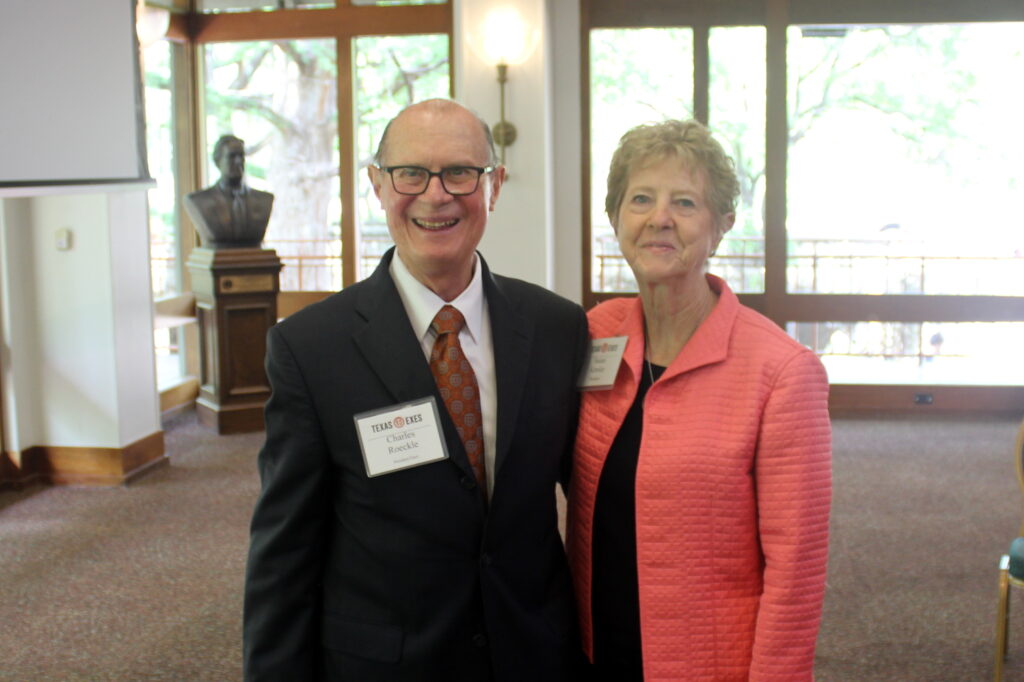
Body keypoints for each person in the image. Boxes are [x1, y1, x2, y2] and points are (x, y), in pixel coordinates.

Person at [243, 99, 589, 681]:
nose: (436, 195)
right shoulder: (311, 348)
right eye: (411, 173)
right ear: (378, 186)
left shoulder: (558, 327)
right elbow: (284, 556)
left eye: (461, 172)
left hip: (532, 654)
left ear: (494, 186)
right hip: (387, 665)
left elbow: (588, 499)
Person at [567, 119, 832, 681]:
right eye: (641, 199)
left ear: (721, 226)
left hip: (708, 663)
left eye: (684, 202)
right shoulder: (594, 334)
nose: (659, 217)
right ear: (616, 218)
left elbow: (796, 568)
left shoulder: (782, 371)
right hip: (595, 647)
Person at [183, 134, 273, 248]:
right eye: (232, 156)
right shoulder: (199, 201)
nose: (238, 161)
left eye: (241, 156)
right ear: (217, 161)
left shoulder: (264, 200)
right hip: (218, 262)